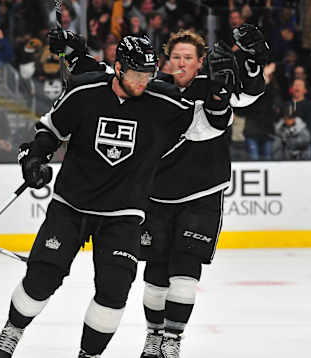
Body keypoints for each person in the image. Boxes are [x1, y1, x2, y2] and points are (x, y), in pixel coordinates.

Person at [0, 35, 232, 358]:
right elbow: (50, 129)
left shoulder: (162, 101)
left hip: (125, 215)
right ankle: (13, 329)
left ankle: (89, 355)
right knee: (42, 278)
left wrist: (218, 94)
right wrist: (34, 158)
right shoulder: (85, 90)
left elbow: (209, 125)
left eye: (149, 75)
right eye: (136, 74)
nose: (143, 82)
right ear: (118, 68)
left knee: (114, 291)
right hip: (71, 205)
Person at [48, 23, 267, 358]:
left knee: (185, 272)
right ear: (165, 61)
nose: (181, 63)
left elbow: (249, 94)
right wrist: (73, 52)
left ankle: (172, 341)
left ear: (200, 61)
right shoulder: (154, 88)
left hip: (202, 195)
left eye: (188, 57)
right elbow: (107, 77)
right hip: (155, 196)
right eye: (175, 56)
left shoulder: (216, 84)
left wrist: (253, 59)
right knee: (155, 276)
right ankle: (154, 336)